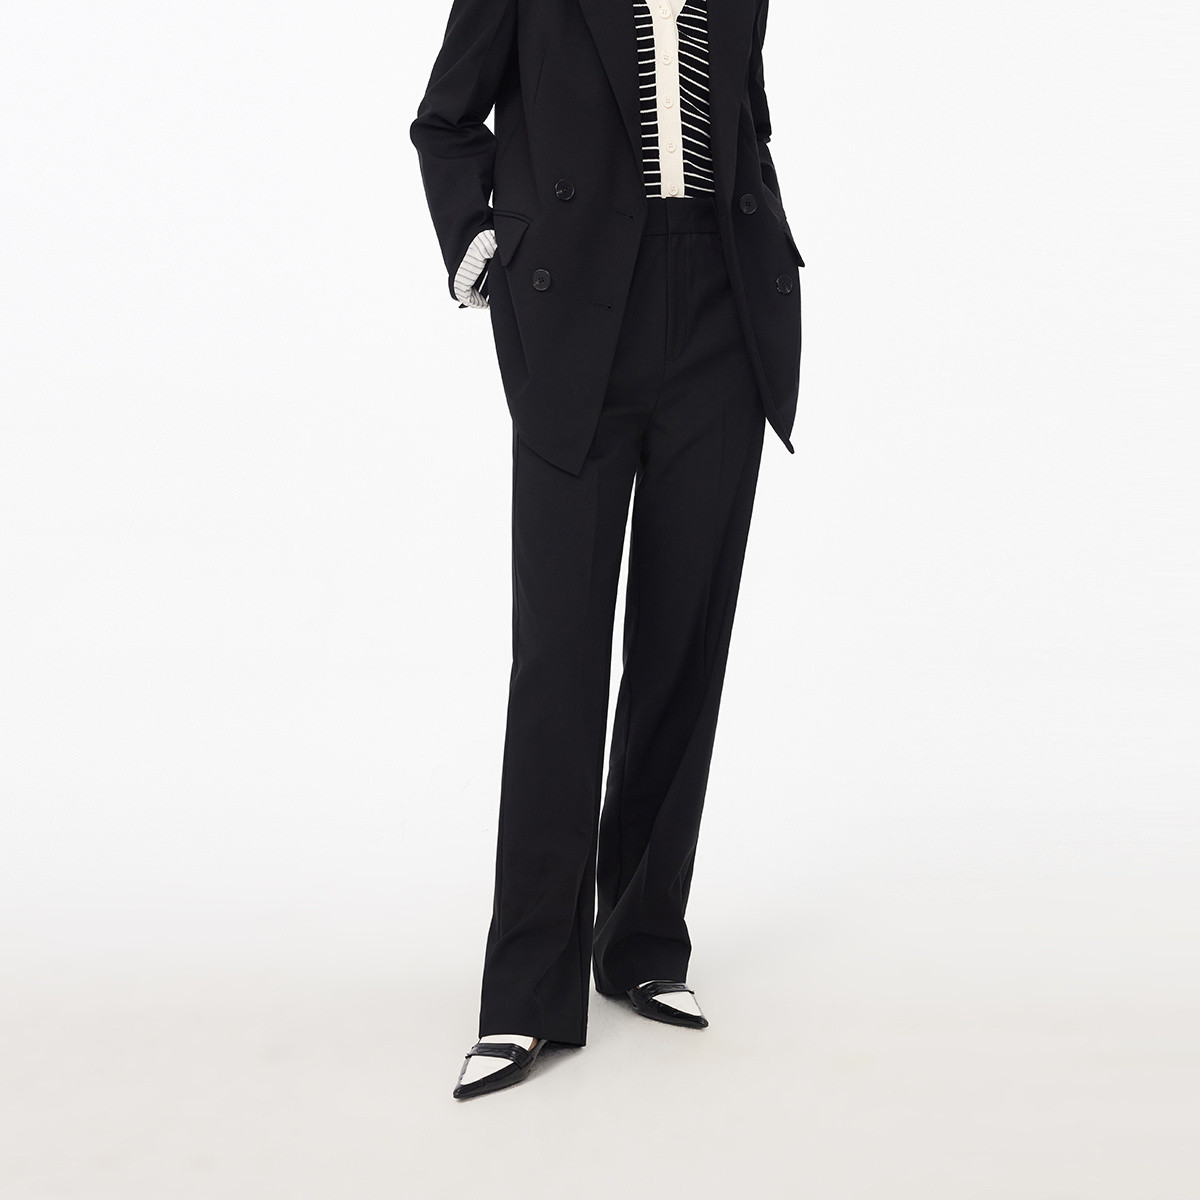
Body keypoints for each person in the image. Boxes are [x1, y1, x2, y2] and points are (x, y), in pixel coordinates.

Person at [410, 0, 803, 1100]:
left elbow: (746, 120)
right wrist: (482, 244)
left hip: (720, 312)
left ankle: (641, 941)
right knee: (560, 662)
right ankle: (525, 994)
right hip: (576, 315)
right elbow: (445, 120)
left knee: (684, 641)